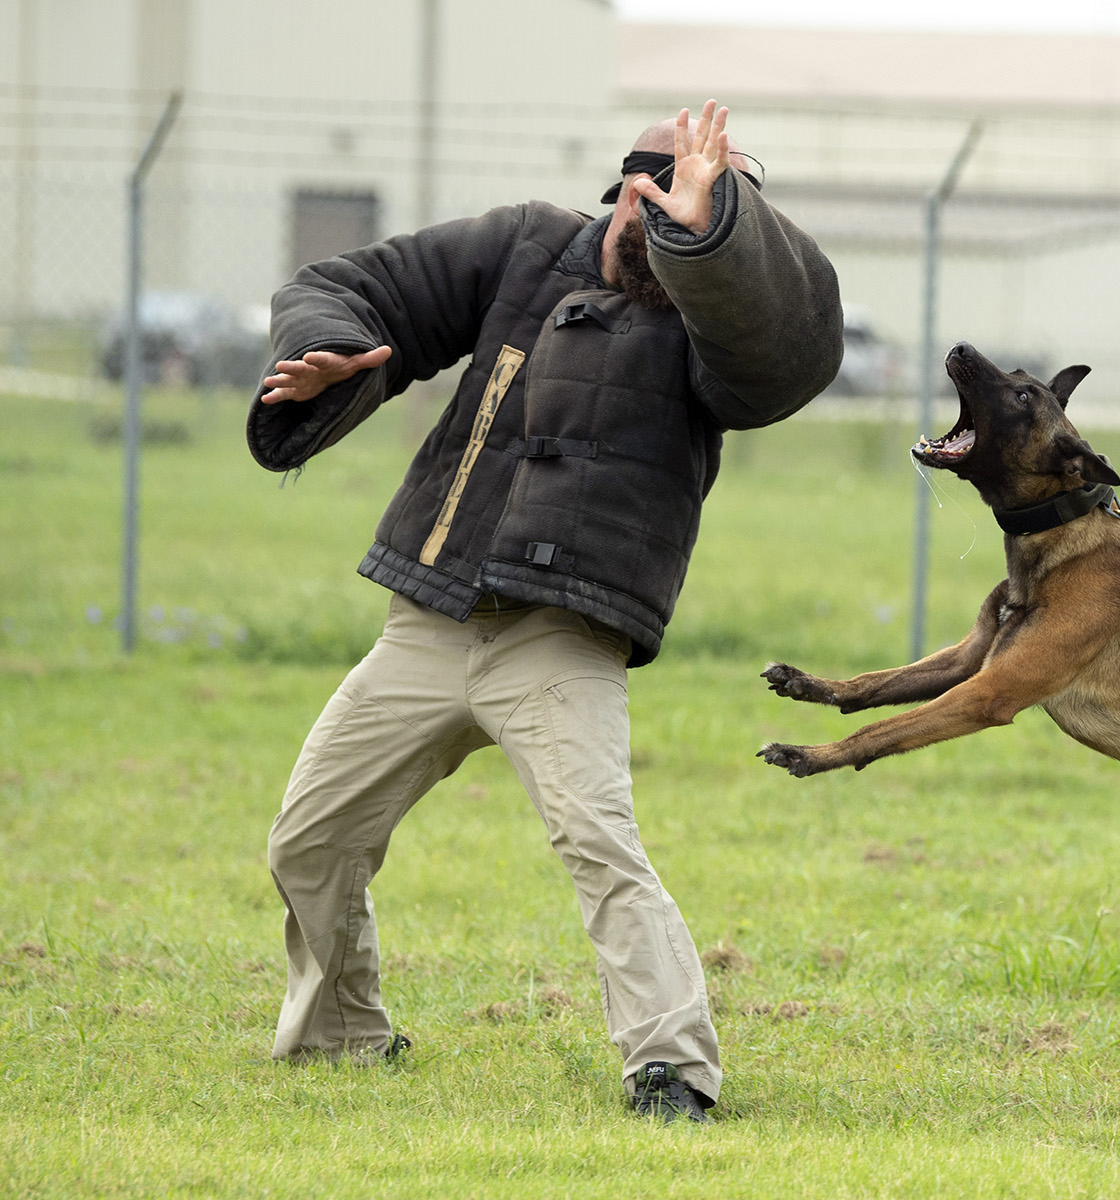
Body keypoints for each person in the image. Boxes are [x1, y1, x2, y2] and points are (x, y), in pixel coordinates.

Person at [247, 101, 843, 1124]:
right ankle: (345, 1036)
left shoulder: (719, 332)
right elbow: (353, 286)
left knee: (598, 845)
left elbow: (786, 351)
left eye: (686, 226)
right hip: (430, 618)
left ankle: (672, 1072)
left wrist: (710, 236)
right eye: (650, 214)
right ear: (621, 196)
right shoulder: (524, 245)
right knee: (309, 839)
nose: (655, 243)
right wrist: (337, 347)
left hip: (561, 641)